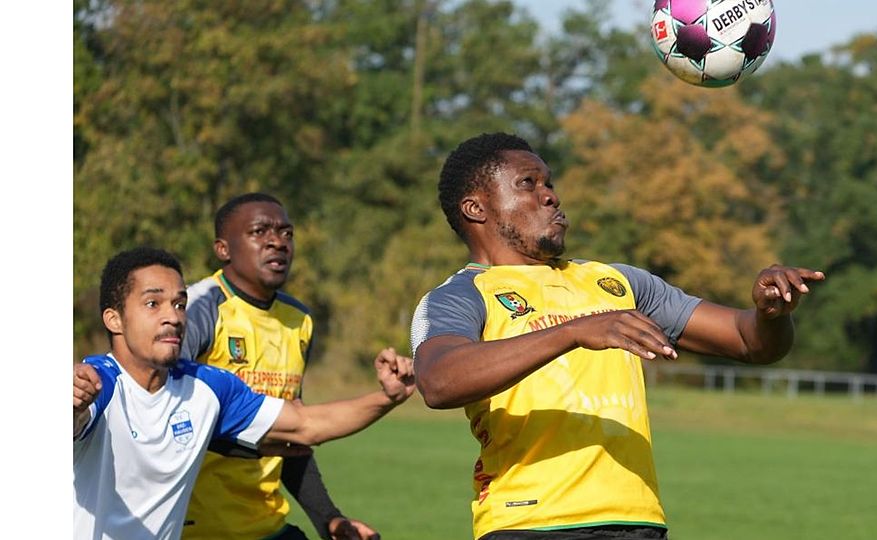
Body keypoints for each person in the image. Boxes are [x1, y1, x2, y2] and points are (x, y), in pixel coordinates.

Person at [410, 132, 826, 540]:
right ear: (475, 208)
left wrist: (769, 313)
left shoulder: (618, 282)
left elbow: (749, 342)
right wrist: (573, 332)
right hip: (530, 523)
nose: (551, 195)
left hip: (637, 521)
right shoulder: (461, 295)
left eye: (550, 183)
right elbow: (439, 381)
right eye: (528, 184)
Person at [73, 247, 415, 540]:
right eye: (153, 303)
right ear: (114, 320)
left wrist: (388, 397)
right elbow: (75, 418)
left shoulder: (206, 388)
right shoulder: (98, 383)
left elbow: (306, 425)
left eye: (179, 304)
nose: (173, 317)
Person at [181, 192, 407, 540]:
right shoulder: (196, 309)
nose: (278, 242)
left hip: (267, 526)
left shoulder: (298, 321)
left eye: (287, 233)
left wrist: (330, 520)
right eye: (260, 232)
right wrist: (255, 443)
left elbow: (292, 436)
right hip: (196, 529)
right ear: (223, 249)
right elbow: (165, 418)